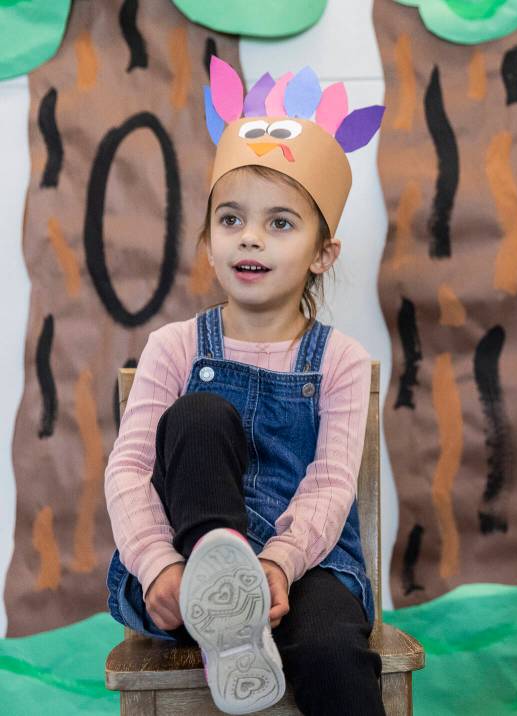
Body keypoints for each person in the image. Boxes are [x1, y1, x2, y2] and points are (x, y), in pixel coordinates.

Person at [104, 57, 386, 715]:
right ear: (208, 242)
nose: (250, 238)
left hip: (302, 567)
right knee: (198, 413)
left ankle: (239, 615)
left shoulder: (338, 360)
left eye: (280, 223)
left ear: (323, 254)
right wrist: (158, 565)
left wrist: (280, 561)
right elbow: (128, 470)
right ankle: (218, 604)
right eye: (231, 220)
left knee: (330, 650)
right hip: (183, 570)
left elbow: (330, 483)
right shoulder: (174, 347)